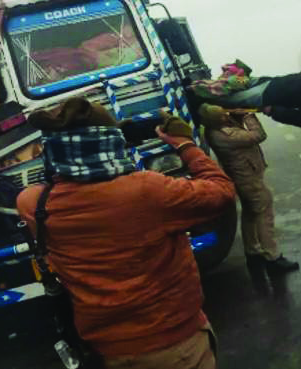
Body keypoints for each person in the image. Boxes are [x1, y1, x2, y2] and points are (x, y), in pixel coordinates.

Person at [16, 97, 236, 369]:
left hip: (106, 352)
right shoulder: (148, 191)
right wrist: (184, 144)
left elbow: (66, 175)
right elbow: (222, 192)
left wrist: (108, 138)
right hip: (175, 344)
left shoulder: (32, 204)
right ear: (109, 143)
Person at [199, 104, 299, 274]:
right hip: (248, 179)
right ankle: (273, 257)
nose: (226, 116)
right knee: (264, 212)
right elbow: (259, 135)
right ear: (217, 120)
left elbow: (235, 128)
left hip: (242, 177)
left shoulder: (215, 130)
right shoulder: (225, 135)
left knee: (251, 213)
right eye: (223, 115)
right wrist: (248, 116)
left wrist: (236, 117)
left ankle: (253, 252)